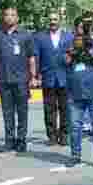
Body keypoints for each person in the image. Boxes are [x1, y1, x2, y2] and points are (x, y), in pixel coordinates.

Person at [64, 19, 93, 168]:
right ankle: (75, 155)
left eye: (86, 28)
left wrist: (92, 56)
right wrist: (72, 53)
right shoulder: (69, 44)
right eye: (80, 27)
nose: (83, 30)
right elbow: (62, 62)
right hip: (75, 91)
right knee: (74, 126)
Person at [0, 7, 35, 153]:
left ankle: (22, 140)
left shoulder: (26, 35)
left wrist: (33, 77)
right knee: (7, 112)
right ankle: (9, 140)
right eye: (7, 15)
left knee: (22, 111)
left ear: (17, 18)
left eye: (13, 15)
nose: (9, 17)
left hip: (21, 80)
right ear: (3, 17)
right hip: (4, 80)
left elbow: (31, 57)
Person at [34, 13, 72, 145]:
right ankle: (52, 136)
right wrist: (36, 75)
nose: (53, 22)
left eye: (55, 19)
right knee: (49, 108)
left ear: (60, 21)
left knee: (65, 108)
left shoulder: (69, 36)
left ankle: (64, 135)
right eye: (50, 19)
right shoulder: (40, 37)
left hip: (65, 77)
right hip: (48, 77)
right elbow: (37, 57)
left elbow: (73, 56)